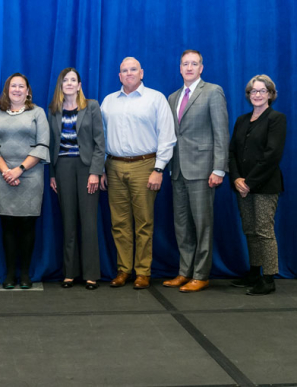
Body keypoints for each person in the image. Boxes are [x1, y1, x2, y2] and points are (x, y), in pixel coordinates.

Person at [100, 57, 176, 290]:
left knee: (144, 222)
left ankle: (143, 272)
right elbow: (101, 137)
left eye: (133, 69)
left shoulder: (155, 99)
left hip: (145, 165)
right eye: (124, 70)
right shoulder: (108, 102)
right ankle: (124, 270)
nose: (129, 73)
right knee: (119, 223)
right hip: (114, 166)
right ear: (119, 75)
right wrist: (102, 168)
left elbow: (167, 136)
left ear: (141, 73)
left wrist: (159, 168)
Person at [164, 50, 229, 292]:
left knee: (203, 225)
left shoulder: (213, 92)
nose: (189, 67)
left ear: (201, 68)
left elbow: (221, 133)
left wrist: (219, 169)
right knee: (182, 226)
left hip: (203, 170)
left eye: (194, 63)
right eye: (185, 64)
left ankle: (201, 275)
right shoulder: (172, 97)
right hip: (178, 170)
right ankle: (184, 272)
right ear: (179, 68)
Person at [0, 73, 50, 289]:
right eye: (12, 86)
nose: (16, 89)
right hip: (3, 174)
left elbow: (43, 145)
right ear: (7, 90)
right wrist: (7, 171)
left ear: (27, 91)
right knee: (8, 225)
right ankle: (9, 274)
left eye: (21, 86)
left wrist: (20, 170)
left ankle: (25, 274)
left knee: (27, 225)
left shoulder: (38, 112)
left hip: (30, 174)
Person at [48, 68, 105, 290]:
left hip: (86, 168)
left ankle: (91, 274)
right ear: (60, 85)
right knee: (68, 221)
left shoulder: (91, 106)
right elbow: (52, 145)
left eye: (73, 80)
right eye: (66, 80)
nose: (69, 83)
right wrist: (52, 174)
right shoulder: (53, 110)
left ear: (79, 85)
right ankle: (70, 273)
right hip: (62, 167)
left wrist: (95, 172)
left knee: (88, 222)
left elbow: (100, 143)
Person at [229, 75, 286, 296]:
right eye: (253, 91)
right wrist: (236, 179)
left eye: (262, 91)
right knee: (250, 230)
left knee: (264, 231)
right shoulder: (242, 120)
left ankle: (269, 278)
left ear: (270, 94)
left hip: (264, 185)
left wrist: (249, 183)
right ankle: (254, 272)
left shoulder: (276, 118)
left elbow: (272, 155)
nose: (257, 95)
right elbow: (232, 152)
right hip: (242, 186)